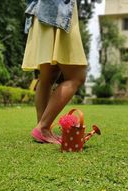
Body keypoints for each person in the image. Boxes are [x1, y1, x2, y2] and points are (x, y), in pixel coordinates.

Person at [22, 0, 87, 144]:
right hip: (57, 12)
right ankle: (43, 127)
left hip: (42, 12)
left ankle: (43, 128)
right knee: (76, 77)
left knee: (48, 76)